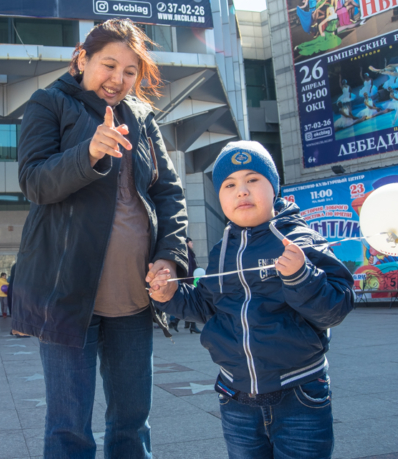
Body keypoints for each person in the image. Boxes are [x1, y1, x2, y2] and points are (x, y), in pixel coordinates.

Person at [13, 18, 188, 458]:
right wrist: (88, 152)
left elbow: (168, 193)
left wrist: (169, 258)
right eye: (108, 65)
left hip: (133, 295)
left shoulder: (143, 116)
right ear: (82, 58)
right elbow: (34, 182)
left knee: (132, 424)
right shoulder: (47, 104)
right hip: (67, 296)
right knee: (69, 429)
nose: (118, 79)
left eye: (130, 71)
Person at [147, 141, 355, 459]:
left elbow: (334, 309)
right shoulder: (221, 252)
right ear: (220, 197)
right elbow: (205, 305)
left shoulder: (300, 241)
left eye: (252, 180)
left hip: (300, 393)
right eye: (229, 184)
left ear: (274, 187)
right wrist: (169, 295)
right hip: (236, 397)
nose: (241, 191)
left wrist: (301, 275)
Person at [168, 237, 201, 334]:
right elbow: (189, 269)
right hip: (189, 282)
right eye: (191, 242)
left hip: (188, 281)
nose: (192, 244)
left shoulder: (188, 252)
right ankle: (183, 323)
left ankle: (181, 322)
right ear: (187, 243)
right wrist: (190, 282)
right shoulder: (187, 253)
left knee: (190, 305)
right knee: (191, 304)